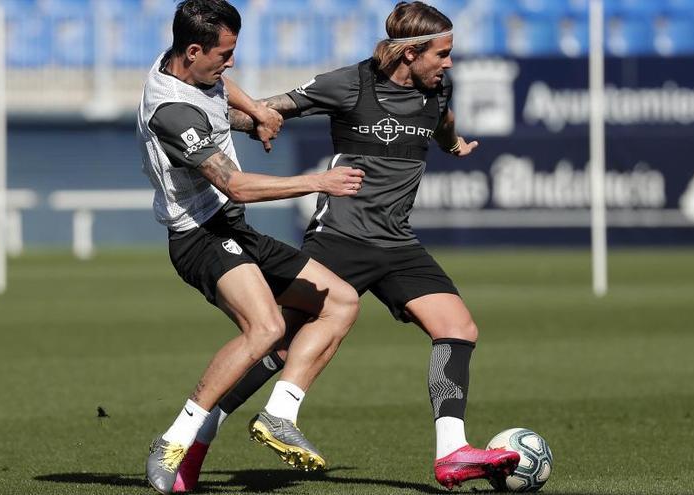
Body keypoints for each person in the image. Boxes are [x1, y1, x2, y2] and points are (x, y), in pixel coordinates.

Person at [172, 1, 520, 492]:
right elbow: (273, 108)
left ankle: (452, 453)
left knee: (458, 328)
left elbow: (441, 121)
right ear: (409, 53)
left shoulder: (435, 91)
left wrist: (454, 144)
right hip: (339, 240)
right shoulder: (350, 83)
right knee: (274, 345)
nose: (448, 64)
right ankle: (192, 447)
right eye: (441, 54)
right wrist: (249, 118)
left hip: (397, 243)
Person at [136, 1, 367, 493]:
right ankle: (174, 439)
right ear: (194, 50)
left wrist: (256, 110)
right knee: (265, 328)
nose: (231, 63)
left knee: (341, 302)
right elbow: (236, 185)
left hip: (233, 229)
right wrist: (317, 181)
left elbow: (220, 91)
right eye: (225, 53)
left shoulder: (184, 62)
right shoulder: (171, 112)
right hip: (199, 235)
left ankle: (279, 415)